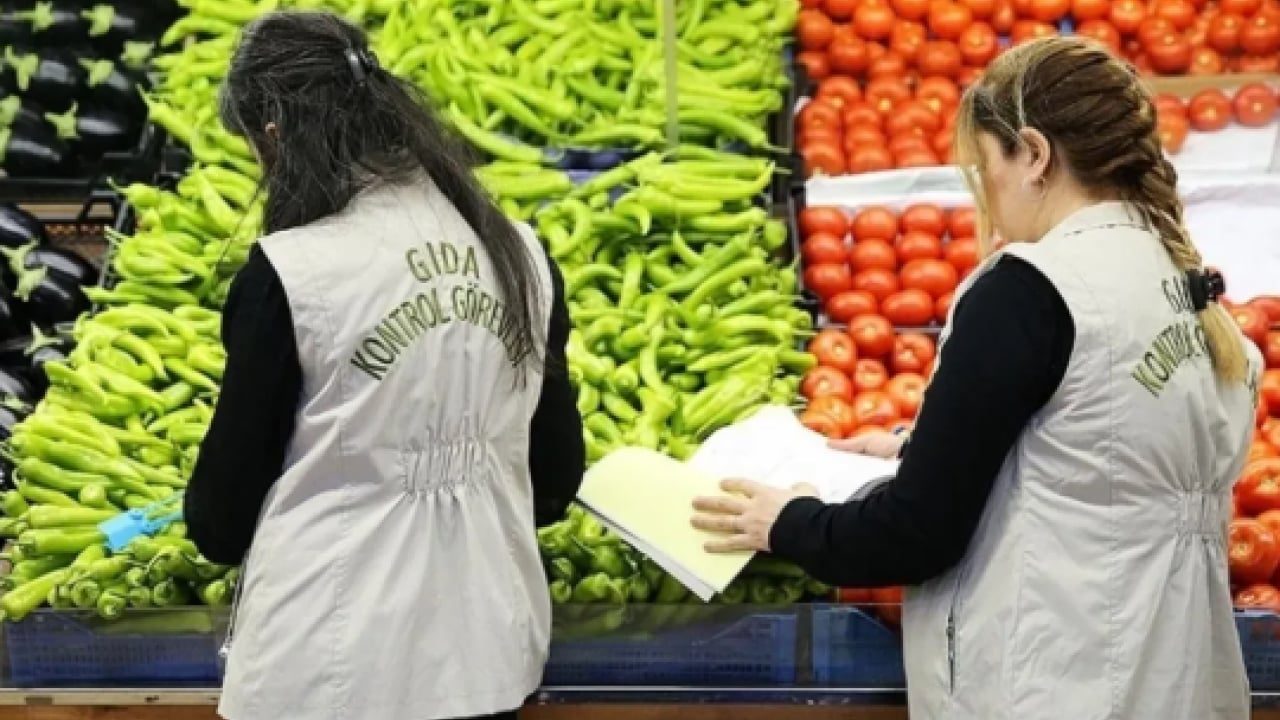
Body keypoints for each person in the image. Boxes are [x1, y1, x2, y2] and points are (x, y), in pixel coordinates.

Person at [692, 37, 1262, 720]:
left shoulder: (1032, 289)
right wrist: (921, 443)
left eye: (984, 163)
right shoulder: (1177, 280)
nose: (983, 188)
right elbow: (1099, 451)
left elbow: (917, 533)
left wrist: (789, 523)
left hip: (1059, 685)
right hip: (1175, 680)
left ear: (1034, 154)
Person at [182, 11, 585, 720]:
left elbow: (220, 520)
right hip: (488, 653)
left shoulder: (293, 273)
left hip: (326, 668)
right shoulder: (520, 254)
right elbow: (555, 483)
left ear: (274, 137)